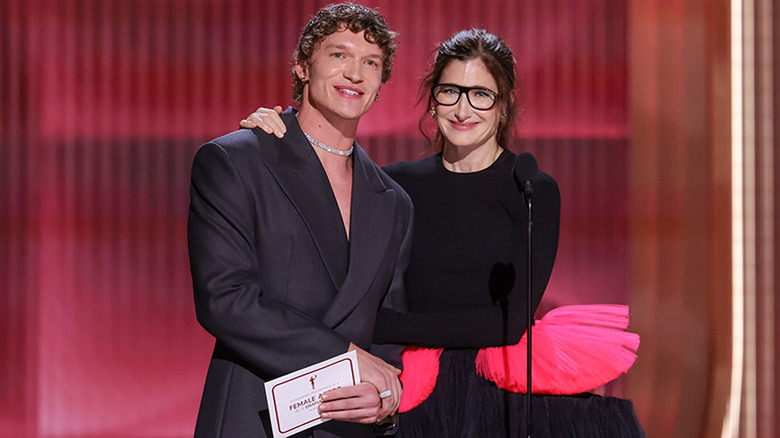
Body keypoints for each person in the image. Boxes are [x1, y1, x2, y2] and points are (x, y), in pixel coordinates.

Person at [242, 28, 644, 437]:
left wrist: (383, 326)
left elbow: (509, 323)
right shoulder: (391, 187)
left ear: (503, 106)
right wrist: (279, 139)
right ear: (432, 101)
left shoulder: (531, 189)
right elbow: (334, 259)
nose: (463, 109)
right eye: (450, 91)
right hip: (410, 390)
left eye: (480, 95)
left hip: (502, 393)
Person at [188, 4, 413, 437]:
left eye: (371, 63)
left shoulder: (395, 203)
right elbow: (225, 299)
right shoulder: (237, 160)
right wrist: (344, 356)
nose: (355, 73)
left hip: (347, 426)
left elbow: (388, 328)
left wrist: (384, 396)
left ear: (380, 84)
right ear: (302, 65)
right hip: (252, 414)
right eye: (338, 55)